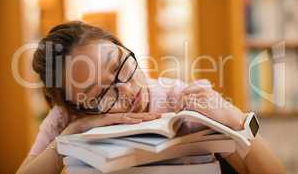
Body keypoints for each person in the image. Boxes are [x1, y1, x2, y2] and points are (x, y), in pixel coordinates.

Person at [17, 21, 285, 174]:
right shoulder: (67, 119)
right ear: (76, 106)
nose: (128, 90)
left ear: (125, 49)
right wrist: (69, 137)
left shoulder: (182, 101)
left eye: (120, 65)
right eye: (100, 94)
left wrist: (237, 120)